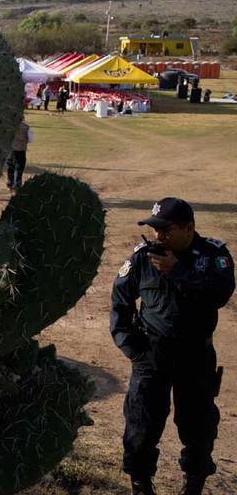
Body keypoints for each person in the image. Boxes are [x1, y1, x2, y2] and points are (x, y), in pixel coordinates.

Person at [110, 198, 234, 495]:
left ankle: (194, 483)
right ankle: (140, 485)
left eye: (166, 230)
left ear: (189, 228)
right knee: (141, 424)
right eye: (155, 229)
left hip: (196, 355)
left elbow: (220, 293)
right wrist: (133, 349)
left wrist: (178, 271)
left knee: (198, 426)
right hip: (152, 354)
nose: (158, 235)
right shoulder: (143, 257)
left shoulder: (213, 255)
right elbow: (120, 302)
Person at [5, 119, 31, 192]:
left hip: (11, 149)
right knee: (19, 167)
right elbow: (30, 140)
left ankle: (10, 183)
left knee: (10, 166)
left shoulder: (9, 126)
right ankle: (17, 183)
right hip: (21, 150)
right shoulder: (26, 127)